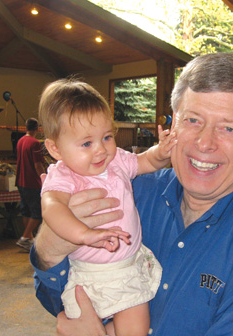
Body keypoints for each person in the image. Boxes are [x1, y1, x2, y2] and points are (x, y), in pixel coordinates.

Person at [31, 53, 233, 336]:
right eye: (193, 120)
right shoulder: (129, 192)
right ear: (173, 124)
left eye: (227, 128)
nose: (204, 143)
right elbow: (52, 298)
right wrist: (51, 246)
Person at [38, 78, 176, 336]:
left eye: (107, 137)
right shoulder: (64, 176)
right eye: (87, 144)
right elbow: (52, 207)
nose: (101, 150)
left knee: (137, 330)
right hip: (90, 277)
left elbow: (143, 162)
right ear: (55, 148)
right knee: (75, 329)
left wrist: (162, 152)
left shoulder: (116, 161)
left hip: (129, 267)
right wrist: (85, 234)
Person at [15, 118, 46, 251]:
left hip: (20, 181)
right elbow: (38, 164)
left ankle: (30, 239)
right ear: (37, 128)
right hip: (32, 182)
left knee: (26, 210)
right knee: (37, 212)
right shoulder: (35, 143)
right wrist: (44, 178)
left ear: (25, 127)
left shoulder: (21, 141)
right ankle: (25, 237)